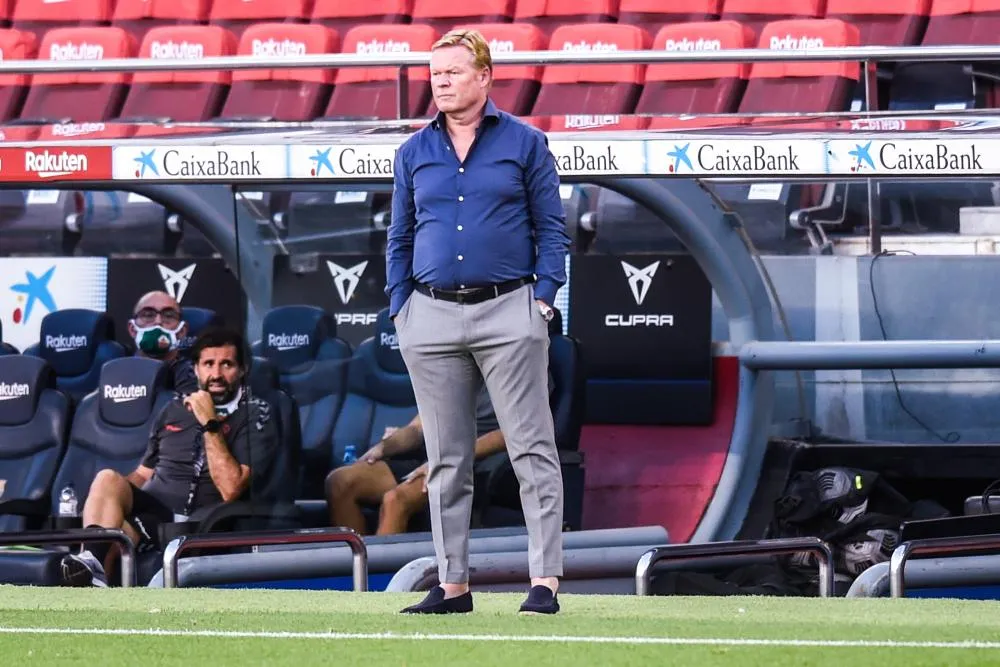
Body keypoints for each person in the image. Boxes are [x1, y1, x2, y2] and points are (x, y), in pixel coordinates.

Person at [386, 28, 569, 615]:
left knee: (531, 450)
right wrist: (401, 306)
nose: (440, 83)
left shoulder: (526, 142)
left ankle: (544, 582)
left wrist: (543, 298)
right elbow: (400, 235)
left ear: (484, 77)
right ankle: (453, 586)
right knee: (445, 459)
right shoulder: (413, 151)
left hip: (509, 309)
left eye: (453, 72)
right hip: (429, 315)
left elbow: (552, 228)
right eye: (435, 74)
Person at [64, 327, 280, 586]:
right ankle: (91, 567)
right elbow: (144, 473)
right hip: (158, 516)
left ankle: (92, 579)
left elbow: (231, 488)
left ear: (242, 370)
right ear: (196, 369)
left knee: (117, 533)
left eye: (227, 364)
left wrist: (209, 422)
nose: (216, 374)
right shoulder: (174, 409)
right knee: (107, 480)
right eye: (208, 364)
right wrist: (106, 500)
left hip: (206, 522)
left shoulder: (256, 414)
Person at [325, 385, 505, 536]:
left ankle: (379, 569)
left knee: (395, 500)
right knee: (341, 482)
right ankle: (356, 566)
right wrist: (384, 447)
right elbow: (418, 428)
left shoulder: (509, 368)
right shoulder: (452, 369)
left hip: (481, 462)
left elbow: (511, 432)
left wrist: (453, 457)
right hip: (434, 456)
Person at [128, 290, 199, 394]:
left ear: (182, 331)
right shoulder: (116, 371)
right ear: (132, 330)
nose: (158, 321)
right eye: (148, 315)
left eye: (168, 316)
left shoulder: (194, 374)